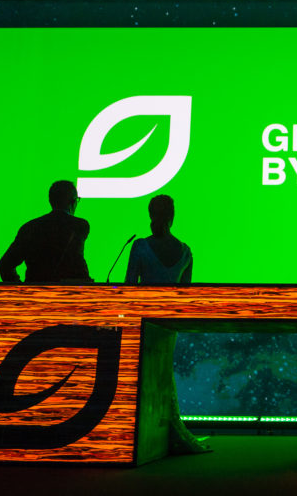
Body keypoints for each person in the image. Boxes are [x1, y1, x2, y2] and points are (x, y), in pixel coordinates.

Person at [125, 194, 210, 454]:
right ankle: (164, 433)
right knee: (162, 376)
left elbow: (129, 286)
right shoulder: (185, 250)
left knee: (145, 377)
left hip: (144, 322)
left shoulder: (140, 246)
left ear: (150, 215)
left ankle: (146, 437)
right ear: (172, 216)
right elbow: (185, 294)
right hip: (168, 324)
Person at [0, 180, 91, 283]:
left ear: (51, 201)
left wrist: (21, 290)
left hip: (35, 291)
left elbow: (5, 265)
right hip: (73, 291)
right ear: (73, 202)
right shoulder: (80, 225)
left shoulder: (29, 228)